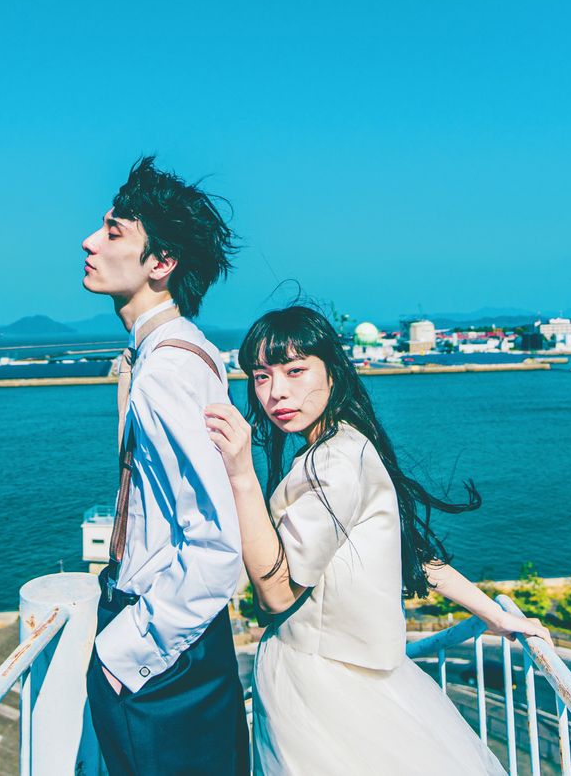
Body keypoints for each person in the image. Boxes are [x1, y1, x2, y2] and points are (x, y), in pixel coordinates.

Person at [204, 306, 550, 775]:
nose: (276, 391)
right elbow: (412, 555)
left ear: (333, 372)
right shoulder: (348, 444)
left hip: (320, 686)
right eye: (261, 376)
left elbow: (276, 594)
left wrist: (240, 473)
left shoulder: (333, 464)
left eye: (295, 370)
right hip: (351, 679)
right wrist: (494, 614)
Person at [79, 156, 250, 776]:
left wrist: (124, 655)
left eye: (113, 232)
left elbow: (217, 544)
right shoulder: (185, 352)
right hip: (181, 644)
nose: (90, 242)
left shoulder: (166, 371)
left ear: (162, 262)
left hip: (161, 655)